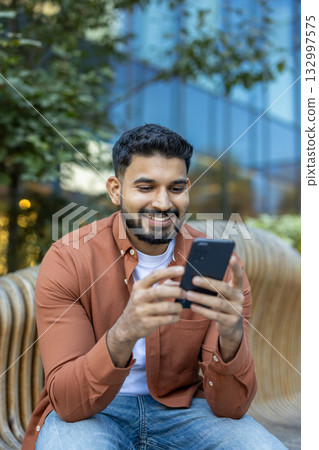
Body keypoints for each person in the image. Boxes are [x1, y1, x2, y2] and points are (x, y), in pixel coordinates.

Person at [23, 124, 286, 449]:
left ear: (187, 188)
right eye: (146, 187)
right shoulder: (69, 258)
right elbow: (68, 402)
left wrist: (232, 339)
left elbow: (231, 408)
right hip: (96, 412)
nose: (163, 203)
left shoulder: (220, 267)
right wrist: (125, 332)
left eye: (175, 188)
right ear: (115, 189)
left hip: (184, 408)